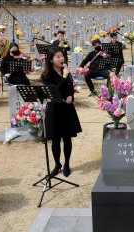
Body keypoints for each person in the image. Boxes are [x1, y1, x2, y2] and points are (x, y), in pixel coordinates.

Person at [40, 48, 82, 177]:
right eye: (58, 56)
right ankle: (57, 164)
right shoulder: (46, 76)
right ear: (51, 59)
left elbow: (70, 88)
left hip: (67, 109)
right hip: (54, 110)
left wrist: (71, 96)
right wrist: (63, 77)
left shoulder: (66, 72)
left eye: (62, 56)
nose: (61, 58)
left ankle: (67, 164)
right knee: (56, 140)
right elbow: (55, 91)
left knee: (67, 138)